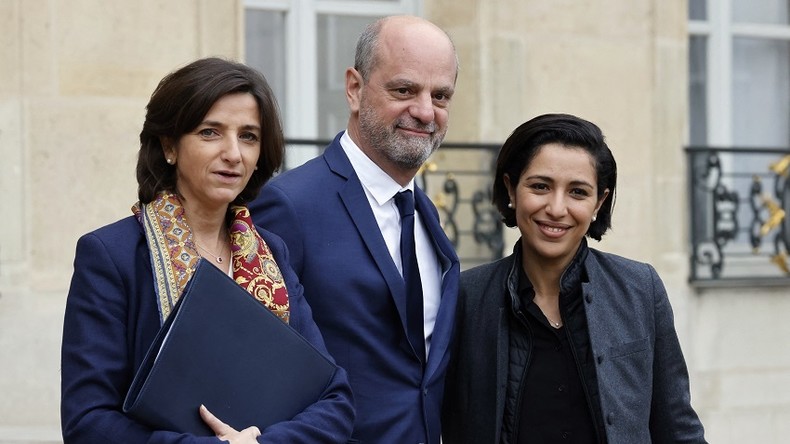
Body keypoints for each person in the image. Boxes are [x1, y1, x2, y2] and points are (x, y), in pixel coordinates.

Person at [60, 57, 354, 443]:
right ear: (169, 146)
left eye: (248, 136)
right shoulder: (111, 256)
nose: (234, 153)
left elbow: (334, 398)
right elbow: (88, 422)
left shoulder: (272, 253)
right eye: (210, 132)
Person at [248, 15, 460, 444]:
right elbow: (258, 364)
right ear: (354, 88)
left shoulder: (426, 215)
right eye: (404, 90)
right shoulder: (288, 205)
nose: (424, 111)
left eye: (440, 96)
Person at [441, 113, 707, 443]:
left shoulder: (640, 288)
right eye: (540, 186)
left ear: (600, 202)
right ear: (511, 188)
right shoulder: (464, 297)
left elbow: (677, 428)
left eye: (577, 192)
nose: (556, 208)